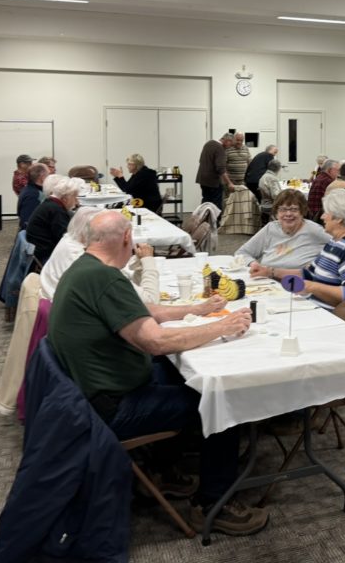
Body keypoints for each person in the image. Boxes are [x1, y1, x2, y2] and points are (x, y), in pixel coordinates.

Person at [47, 211, 267, 535]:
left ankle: (163, 471)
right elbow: (155, 341)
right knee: (221, 401)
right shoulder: (104, 278)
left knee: (178, 372)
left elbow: (147, 312)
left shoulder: (85, 269)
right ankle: (213, 504)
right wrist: (222, 325)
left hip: (94, 391)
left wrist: (198, 310)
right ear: (126, 239)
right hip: (110, 406)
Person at [268, 190, 345, 336]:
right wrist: (270, 272)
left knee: (278, 329)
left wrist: (309, 286)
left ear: (339, 218)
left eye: (326, 212)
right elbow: (309, 273)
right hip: (328, 309)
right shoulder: (336, 241)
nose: (323, 216)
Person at [39, 206, 161, 304]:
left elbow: (127, 285)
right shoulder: (86, 261)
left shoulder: (69, 241)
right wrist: (148, 259)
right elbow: (149, 302)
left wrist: (139, 266)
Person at [240, 189, 332, 271]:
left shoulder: (314, 230)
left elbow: (341, 246)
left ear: (302, 211)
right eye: (283, 209)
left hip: (299, 285)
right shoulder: (270, 228)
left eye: (294, 209)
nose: (288, 214)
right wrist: (253, 264)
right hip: (268, 283)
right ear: (276, 212)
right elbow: (242, 253)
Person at [26, 176, 85, 265]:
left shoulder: (50, 203)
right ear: (65, 198)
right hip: (45, 254)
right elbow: (65, 238)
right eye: (75, 197)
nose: (77, 202)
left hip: (40, 248)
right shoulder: (57, 210)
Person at [197, 133, 236, 212]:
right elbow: (220, 168)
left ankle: (203, 221)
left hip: (203, 179)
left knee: (206, 202)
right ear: (227, 141)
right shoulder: (220, 148)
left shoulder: (208, 143)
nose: (229, 148)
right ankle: (215, 223)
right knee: (216, 206)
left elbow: (200, 160)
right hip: (213, 181)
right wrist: (229, 183)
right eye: (231, 145)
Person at [17, 162, 49, 229]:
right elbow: (27, 222)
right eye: (48, 175)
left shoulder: (29, 189)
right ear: (42, 177)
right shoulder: (34, 195)